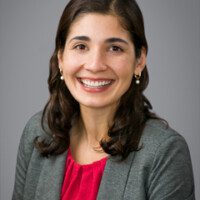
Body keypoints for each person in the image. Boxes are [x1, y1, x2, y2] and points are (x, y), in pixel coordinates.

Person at [12, 0, 195, 199]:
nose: (95, 65)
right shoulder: (38, 132)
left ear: (139, 60)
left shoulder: (165, 152)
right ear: (61, 57)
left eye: (114, 48)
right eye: (81, 46)